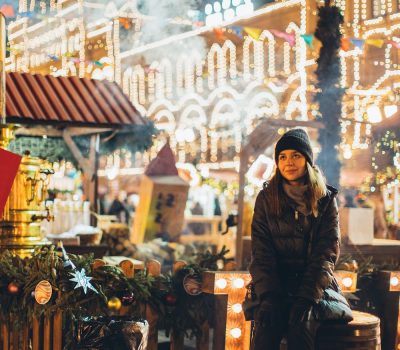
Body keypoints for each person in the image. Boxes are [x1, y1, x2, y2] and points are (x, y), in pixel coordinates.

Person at [250, 129, 341, 350]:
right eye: (283, 157)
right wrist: (269, 296)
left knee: (301, 330)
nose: (288, 162)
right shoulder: (266, 198)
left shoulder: (325, 200)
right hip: (275, 285)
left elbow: (326, 254)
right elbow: (261, 253)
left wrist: (307, 298)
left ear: (307, 160)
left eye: (296, 155)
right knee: (265, 331)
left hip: (312, 288)